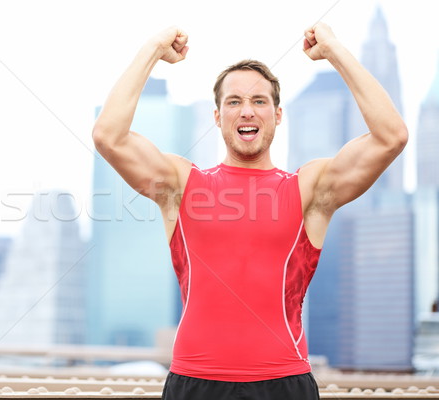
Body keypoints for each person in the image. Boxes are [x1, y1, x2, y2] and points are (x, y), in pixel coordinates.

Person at [92, 23, 408, 400]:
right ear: (217, 116)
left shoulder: (309, 189)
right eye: (234, 101)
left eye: (259, 101)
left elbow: (392, 136)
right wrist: (152, 49)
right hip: (194, 382)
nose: (247, 111)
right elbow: (108, 136)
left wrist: (336, 51)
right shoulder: (182, 184)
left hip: (283, 382)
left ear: (277, 115)